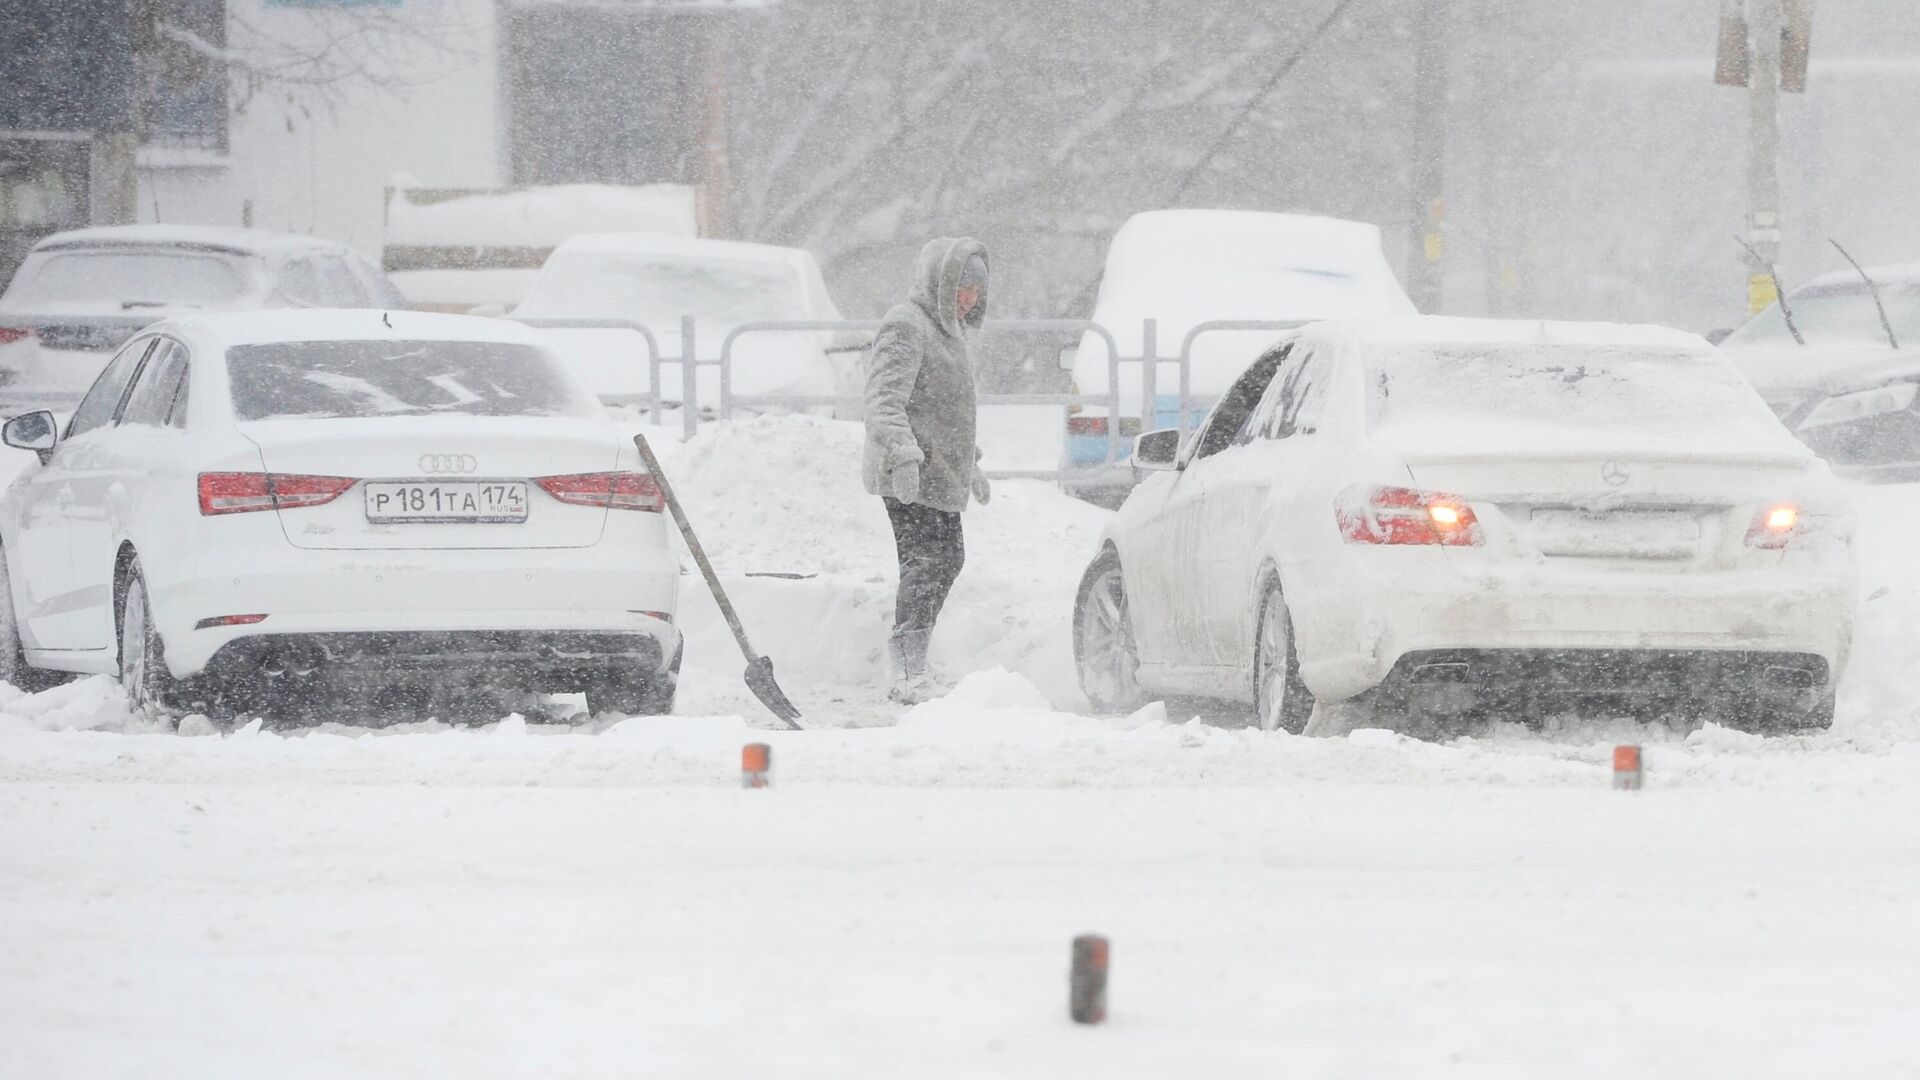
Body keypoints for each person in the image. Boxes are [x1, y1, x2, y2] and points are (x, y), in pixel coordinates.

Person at [863, 237, 992, 704]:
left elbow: (946, 409)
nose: (969, 299)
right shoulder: (906, 325)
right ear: (939, 282)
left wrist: (969, 462)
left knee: (944, 561)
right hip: (910, 474)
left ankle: (913, 660)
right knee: (927, 565)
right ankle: (906, 669)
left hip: (941, 473)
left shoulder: (949, 333)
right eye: (961, 287)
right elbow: (882, 401)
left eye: (976, 290)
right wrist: (902, 454)